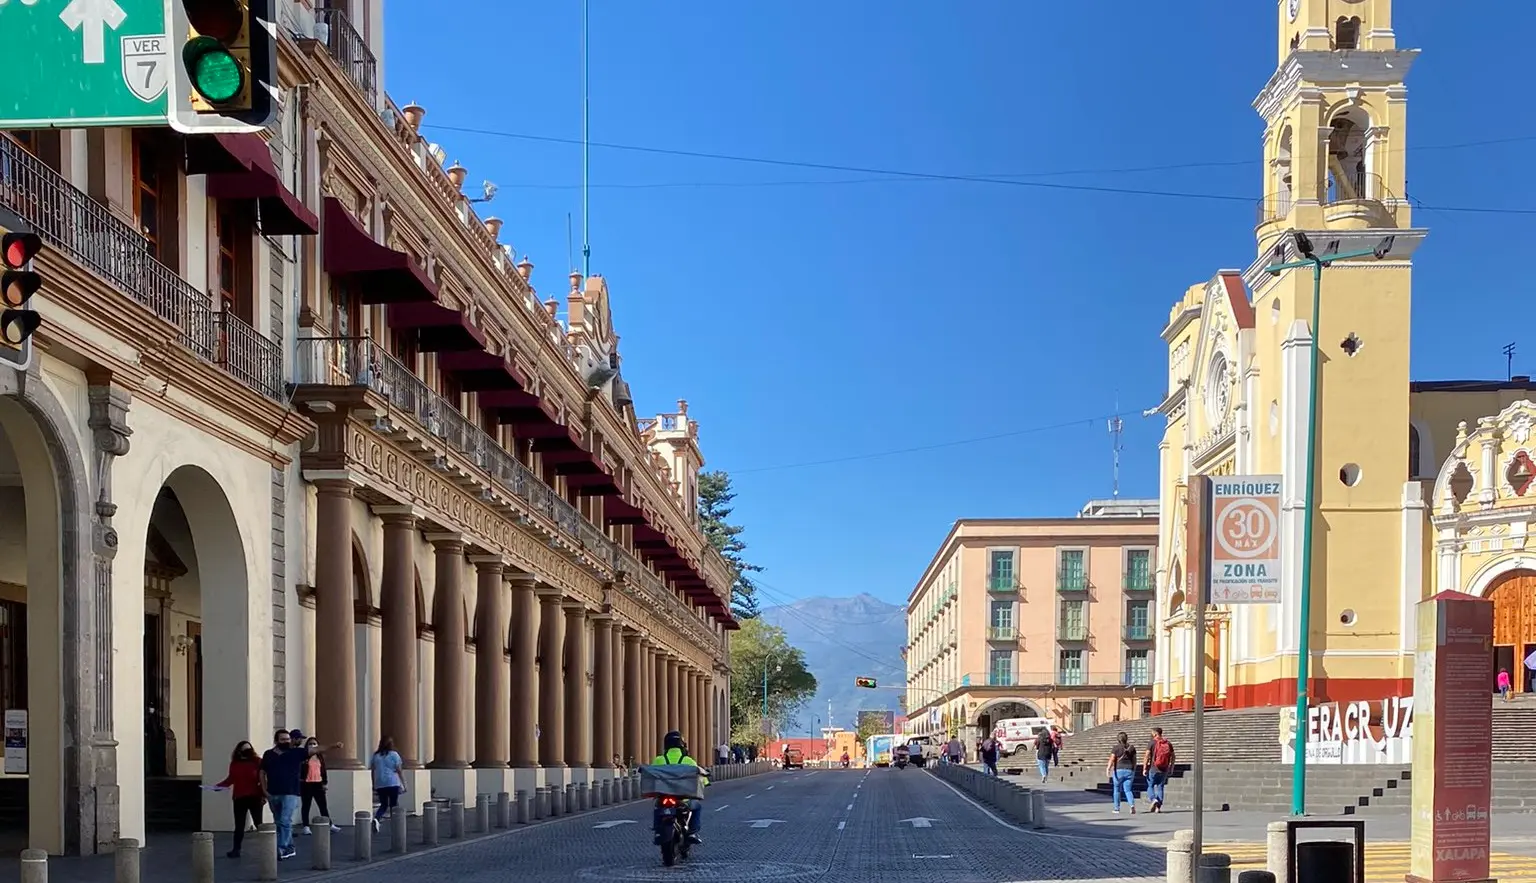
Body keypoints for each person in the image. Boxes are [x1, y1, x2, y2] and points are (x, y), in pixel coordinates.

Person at [261, 729, 342, 860]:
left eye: (288, 739)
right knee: (278, 821)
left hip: (290, 792)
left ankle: (282, 847)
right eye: (283, 739)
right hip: (273, 792)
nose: (286, 741)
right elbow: (262, 772)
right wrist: (264, 791)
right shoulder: (268, 754)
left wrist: (332, 745)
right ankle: (290, 847)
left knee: (285, 820)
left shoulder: (296, 753)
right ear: (276, 741)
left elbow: (316, 749)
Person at [649, 730, 708, 845]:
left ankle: (657, 830)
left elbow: (651, 776)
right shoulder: (688, 761)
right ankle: (692, 832)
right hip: (683, 799)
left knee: (657, 807)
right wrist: (705, 782)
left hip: (663, 798)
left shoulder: (659, 760)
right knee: (697, 807)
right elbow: (701, 778)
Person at [215, 741, 263, 859]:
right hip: (239, 797)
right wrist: (219, 786)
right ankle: (236, 849)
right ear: (239, 751)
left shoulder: (257, 762)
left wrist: (264, 795)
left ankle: (270, 848)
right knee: (239, 825)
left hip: (255, 797)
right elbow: (231, 779)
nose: (247, 751)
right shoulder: (235, 764)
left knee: (259, 824)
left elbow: (263, 779)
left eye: (249, 749)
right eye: (244, 749)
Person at [299, 736, 341, 836]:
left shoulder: (320, 757)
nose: (313, 746)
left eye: (314, 744)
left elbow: (323, 771)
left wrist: (324, 783)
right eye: (310, 744)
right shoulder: (304, 757)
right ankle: (306, 826)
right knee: (306, 805)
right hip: (306, 783)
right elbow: (300, 770)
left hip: (318, 783)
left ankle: (329, 824)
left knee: (323, 806)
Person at [368, 737, 405, 830]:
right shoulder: (394, 755)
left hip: (380, 783)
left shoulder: (376, 756)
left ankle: (377, 818)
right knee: (394, 804)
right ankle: (396, 824)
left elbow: (372, 770)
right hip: (392, 782)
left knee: (383, 804)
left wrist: (373, 784)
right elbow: (399, 770)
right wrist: (403, 783)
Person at [1144, 727, 1176, 813]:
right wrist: (1171, 767)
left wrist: (1144, 768)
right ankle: (1158, 808)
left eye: (1152, 733)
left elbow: (1147, 756)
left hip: (1153, 768)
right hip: (1164, 769)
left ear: (1155, 734)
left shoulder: (1151, 743)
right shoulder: (1168, 743)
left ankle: (1153, 799)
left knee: (1150, 786)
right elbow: (1173, 756)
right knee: (1160, 787)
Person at [1105, 732, 1137, 814]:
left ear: (1118, 739)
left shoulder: (1116, 748)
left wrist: (1108, 768)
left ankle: (1117, 808)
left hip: (1118, 770)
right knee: (1128, 790)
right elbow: (1134, 760)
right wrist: (1133, 770)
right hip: (1129, 770)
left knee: (1117, 789)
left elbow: (1112, 759)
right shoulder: (1131, 748)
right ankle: (1132, 805)